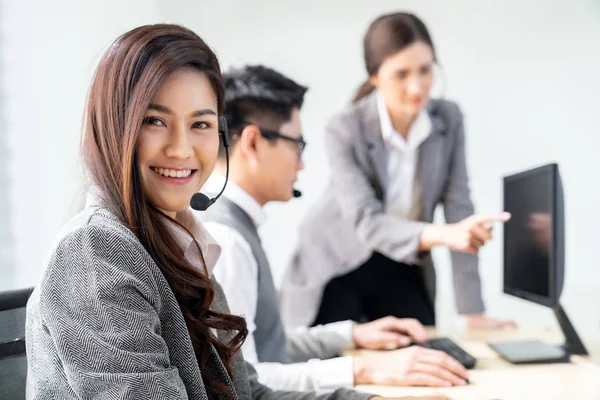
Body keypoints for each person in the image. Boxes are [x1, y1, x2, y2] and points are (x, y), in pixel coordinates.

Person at [24, 24, 440, 400]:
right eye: (155, 121)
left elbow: (247, 392)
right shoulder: (95, 252)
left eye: (200, 125)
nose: (182, 149)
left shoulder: (181, 244)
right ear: (114, 126)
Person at [199, 65, 470, 392]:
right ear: (253, 142)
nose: (302, 164)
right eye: (296, 145)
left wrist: (351, 334)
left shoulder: (233, 225)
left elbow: (267, 343)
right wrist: (365, 368)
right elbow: (245, 380)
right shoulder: (228, 241)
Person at [280, 12, 515, 330]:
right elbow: (367, 222)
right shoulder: (344, 128)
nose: (416, 86)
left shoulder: (448, 119)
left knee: (424, 348)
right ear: (375, 76)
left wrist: (474, 314)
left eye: (425, 70)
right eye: (401, 74)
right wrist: (444, 235)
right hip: (337, 263)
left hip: (402, 259)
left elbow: (460, 212)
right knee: (340, 359)